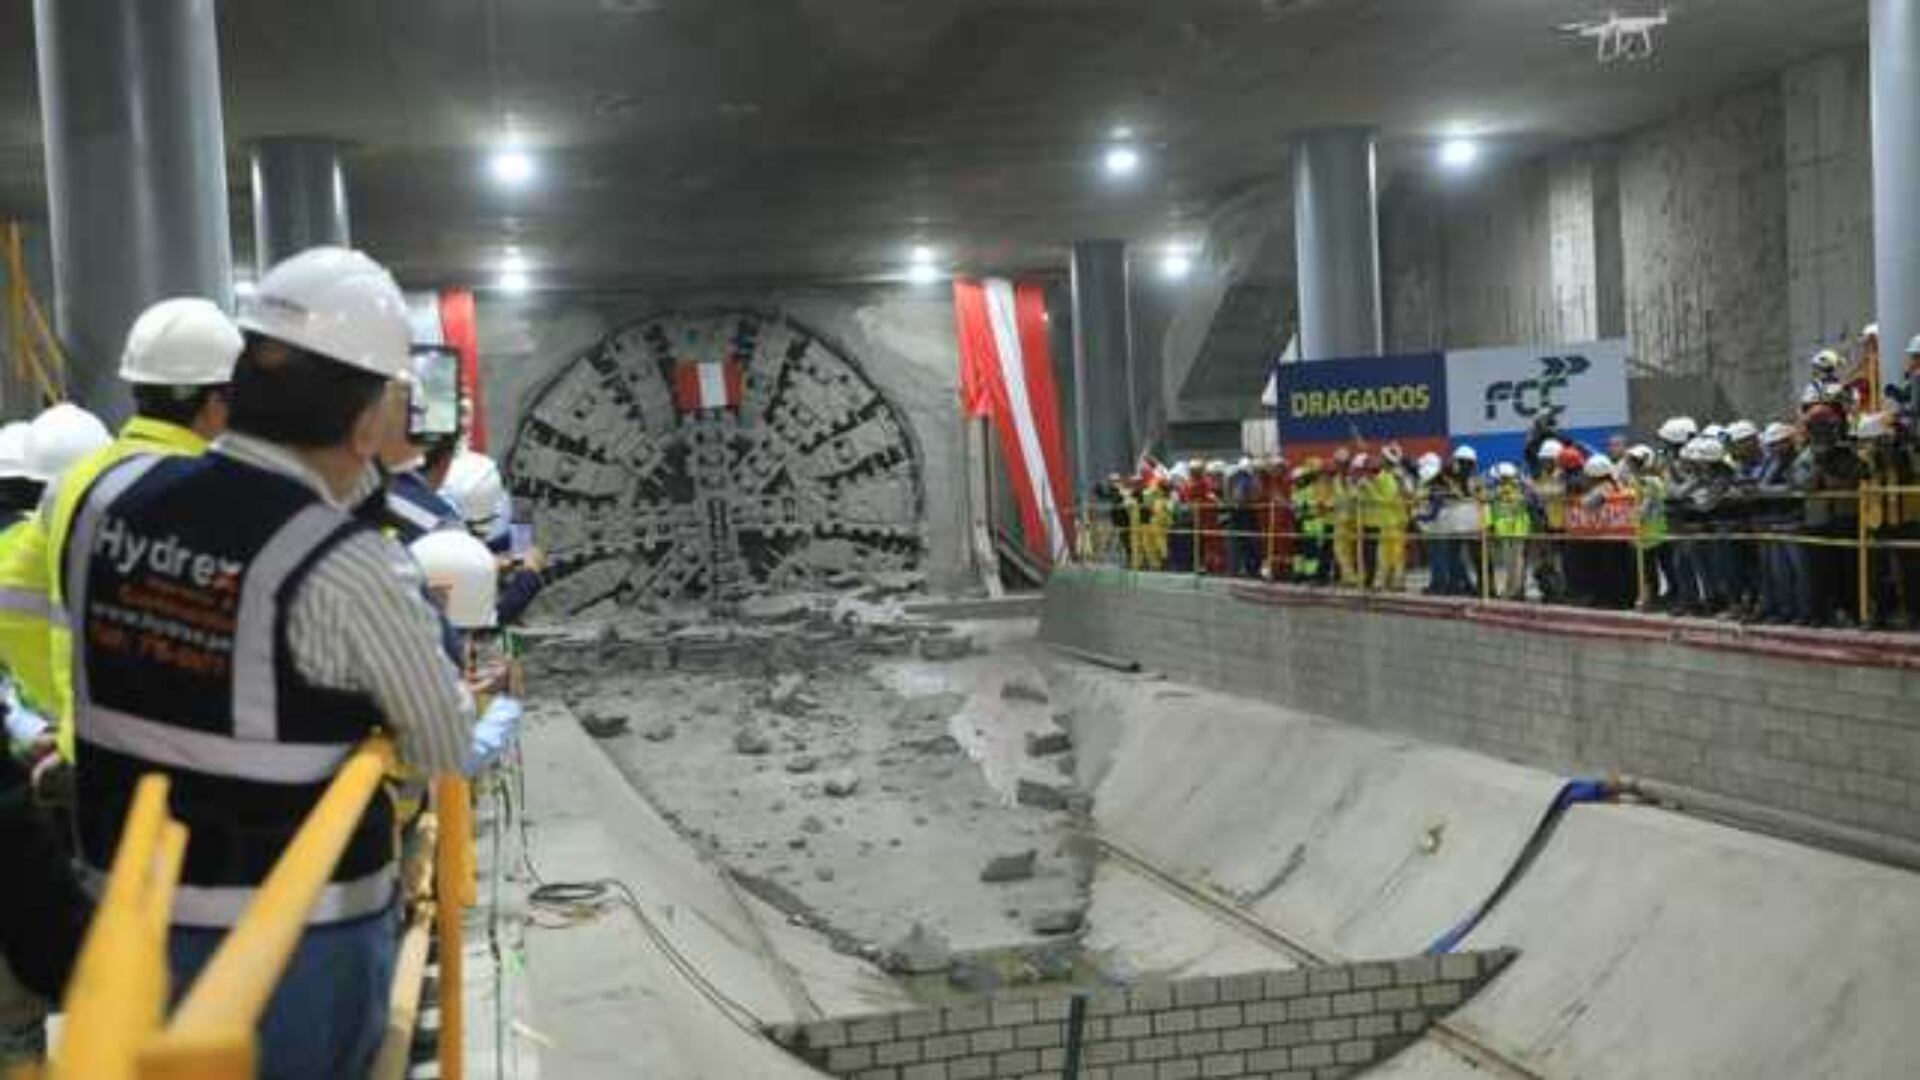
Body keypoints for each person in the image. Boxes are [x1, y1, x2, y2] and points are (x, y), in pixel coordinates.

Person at [63, 247, 478, 1080]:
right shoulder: (343, 563)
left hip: (115, 926)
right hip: (293, 953)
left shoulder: (102, 505)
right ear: (366, 422)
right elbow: (443, 741)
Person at [0, 298, 238, 766]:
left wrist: (70, 713)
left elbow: (9, 606)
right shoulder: (227, 492)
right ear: (214, 403)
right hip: (200, 764)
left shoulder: (70, 485)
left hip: (95, 755)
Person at [1800, 404, 1863, 625]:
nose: (1821, 432)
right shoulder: (1805, 456)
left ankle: (1853, 612)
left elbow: (1854, 480)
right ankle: (1823, 613)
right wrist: (1818, 469)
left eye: (1825, 427)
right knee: (1820, 572)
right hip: (1817, 519)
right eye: (1816, 427)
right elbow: (1802, 483)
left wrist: (1830, 480)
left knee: (1849, 570)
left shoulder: (1846, 452)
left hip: (1846, 518)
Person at [1753, 422, 1812, 624]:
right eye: (1772, 445)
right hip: (1774, 523)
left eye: (1779, 443)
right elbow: (1761, 484)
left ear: (1789, 441)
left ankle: (1804, 611)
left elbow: (1797, 486)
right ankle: (1784, 610)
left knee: (1801, 572)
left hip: (1794, 522)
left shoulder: (1801, 459)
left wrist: (1765, 491)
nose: (1776, 448)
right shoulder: (1772, 462)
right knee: (1779, 573)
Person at [1368, 445, 1414, 591]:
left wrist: (1401, 483)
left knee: (1397, 554)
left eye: (1383, 457)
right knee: (1382, 554)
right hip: (1385, 521)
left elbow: (1409, 494)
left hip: (1398, 521)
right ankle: (1381, 581)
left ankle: (1398, 582)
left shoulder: (1401, 476)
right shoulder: (1381, 475)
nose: (1380, 460)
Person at [1486, 463, 1531, 600]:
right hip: (1517, 529)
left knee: (1512, 562)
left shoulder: (1500, 491)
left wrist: (1490, 525)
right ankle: (1513, 590)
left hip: (1511, 530)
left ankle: (1513, 591)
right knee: (1515, 562)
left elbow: (1486, 501)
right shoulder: (1520, 487)